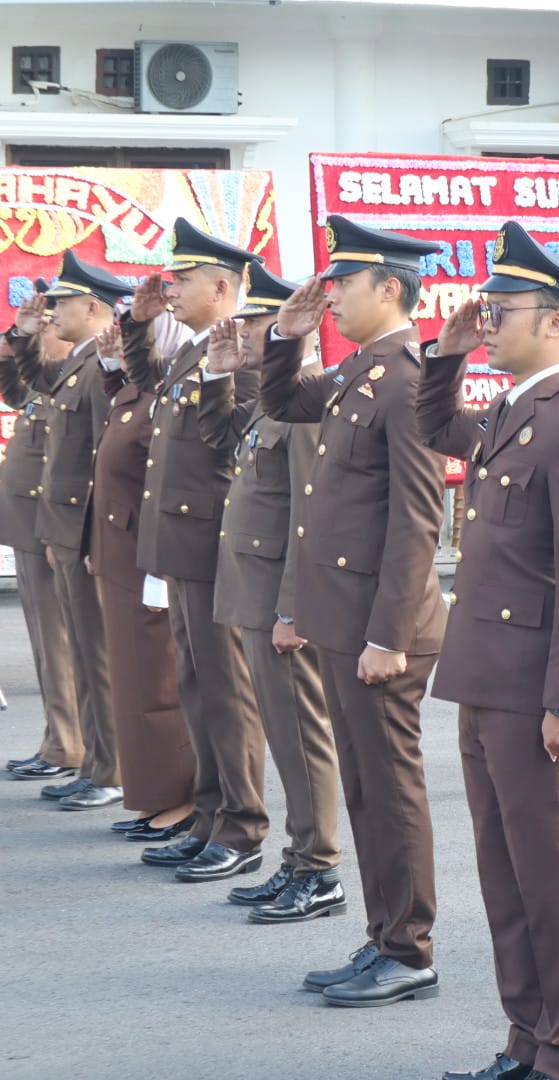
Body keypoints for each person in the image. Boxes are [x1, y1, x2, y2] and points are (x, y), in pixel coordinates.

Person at [421, 222, 559, 1080]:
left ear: (554, 320)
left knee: (553, 880)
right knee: (506, 877)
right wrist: (448, 351)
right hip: (486, 680)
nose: (486, 319)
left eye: (500, 310)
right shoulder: (514, 407)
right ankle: (526, 1040)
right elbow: (436, 424)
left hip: (540, 691)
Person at [261, 215, 448, 1008]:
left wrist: (386, 635)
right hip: (346, 621)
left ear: (391, 290)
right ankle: (384, 938)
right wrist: (286, 335)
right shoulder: (361, 371)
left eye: (345, 283)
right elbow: (284, 401)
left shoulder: (407, 376)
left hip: (382, 631)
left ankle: (408, 950)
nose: (330, 295)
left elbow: (416, 516)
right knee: (367, 790)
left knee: (388, 787)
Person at [196, 264, 345, 924]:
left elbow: (307, 516)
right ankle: (297, 857)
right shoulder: (272, 398)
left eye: (254, 322)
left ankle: (319, 869)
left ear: (292, 326)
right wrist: (217, 376)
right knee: (283, 735)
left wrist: (293, 606)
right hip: (252, 589)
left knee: (301, 734)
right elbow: (222, 447)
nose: (245, 330)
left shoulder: (308, 401)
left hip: (277, 598)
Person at [122, 218, 268, 883]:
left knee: (226, 689)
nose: (171, 290)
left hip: (214, 544)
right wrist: (136, 326)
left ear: (220, 285)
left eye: (181, 281)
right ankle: (208, 813)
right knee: (195, 684)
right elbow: (141, 390)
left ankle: (242, 824)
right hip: (180, 544)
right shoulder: (191, 349)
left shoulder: (255, 351)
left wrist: (220, 376)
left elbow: (231, 443)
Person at [9, 255, 125, 812]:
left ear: (93, 308)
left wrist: (95, 540)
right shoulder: (77, 365)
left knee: (97, 656)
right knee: (83, 649)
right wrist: (23, 336)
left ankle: (110, 768)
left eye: (60, 304)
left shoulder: (100, 368)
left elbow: (109, 459)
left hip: (86, 533)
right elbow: (29, 382)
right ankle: (94, 761)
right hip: (65, 529)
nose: (52, 312)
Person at [87, 319, 197, 843]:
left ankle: (177, 799)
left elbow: (164, 481)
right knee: (133, 685)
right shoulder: (141, 394)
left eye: (146, 343)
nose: (137, 353)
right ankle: (152, 795)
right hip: (121, 553)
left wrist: (158, 563)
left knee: (157, 685)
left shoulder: (165, 401)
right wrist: (115, 364)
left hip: (146, 557)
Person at [1, 308, 84, 785]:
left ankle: (68, 743)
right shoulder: (46, 383)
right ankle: (58, 738)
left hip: (47, 525)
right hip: (29, 526)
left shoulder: (70, 382)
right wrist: (12, 346)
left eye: (46, 327)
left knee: (59, 643)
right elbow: (13, 389)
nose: (39, 337)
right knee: (44, 642)